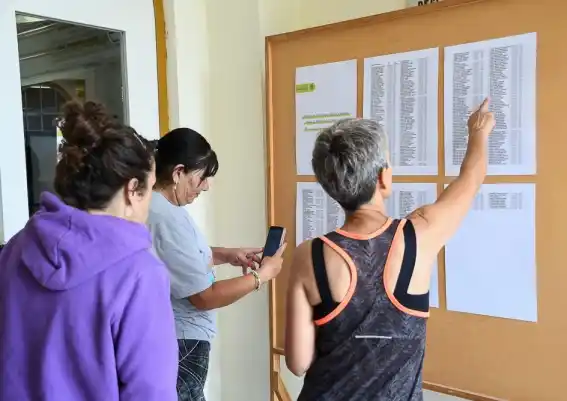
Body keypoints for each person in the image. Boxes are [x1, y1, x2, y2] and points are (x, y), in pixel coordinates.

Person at [284, 99, 495, 400]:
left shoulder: (310, 255)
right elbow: (471, 179)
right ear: (383, 177)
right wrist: (478, 132)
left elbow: (298, 362)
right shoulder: (419, 236)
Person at [0, 101, 178, 401]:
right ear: (132, 189)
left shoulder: (15, 249)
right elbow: (150, 392)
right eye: (149, 190)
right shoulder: (139, 276)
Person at [148, 127, 286, 401]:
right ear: (178, 173)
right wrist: (261, 276)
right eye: (201, 178)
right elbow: (204, 297)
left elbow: (177, 261)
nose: (206, 186)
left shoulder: (161, 208)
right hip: (183, 343)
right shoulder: (165, 217)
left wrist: (225, 255)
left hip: (180, 340)